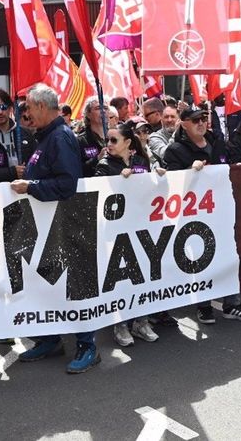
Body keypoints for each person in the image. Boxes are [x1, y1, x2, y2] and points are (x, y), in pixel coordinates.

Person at [14, 86, 103, 374]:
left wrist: (31, 187)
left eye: (29, 107)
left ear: (41, 106)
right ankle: (51, 338)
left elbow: (67, 185)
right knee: (48, 282)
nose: (26, 113)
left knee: (75, 285)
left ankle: (87, 345)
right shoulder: (46, 137)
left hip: (65, 223)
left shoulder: (60, 137)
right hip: (48, 224)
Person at [163, 107, 241, 324]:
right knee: (200, 259)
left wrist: (236, 168)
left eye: (203, 119)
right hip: (194, 215)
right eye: (195, 121)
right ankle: (204, 306)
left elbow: (228, 165)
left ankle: (232, 303)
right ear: (183, 124)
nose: (201, 123)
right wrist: (188, 170)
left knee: (228, 255)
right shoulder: (175, 150)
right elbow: (169, 184)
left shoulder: (217, 141)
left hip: (221, 210)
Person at [95, 122, 164, 347]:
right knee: (121, 278)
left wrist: (158, 176)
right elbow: (97, 193)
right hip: (116, 231)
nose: (109, 145)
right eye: (108, 140)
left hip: (142, 226)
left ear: (127, 142)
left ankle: (141, 321)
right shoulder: (104, 165)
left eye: (114, 140)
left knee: (143, 274)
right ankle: (121, 324)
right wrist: (116, 182)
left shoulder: (141, 162)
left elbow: (152, 190)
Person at [76, 99, 108, 177]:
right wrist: (97, 158)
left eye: (105, 108)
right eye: (98, 108)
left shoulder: (116, 136)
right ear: (88, 114)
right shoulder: (80, 141)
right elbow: (77, 169)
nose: (103, 111)